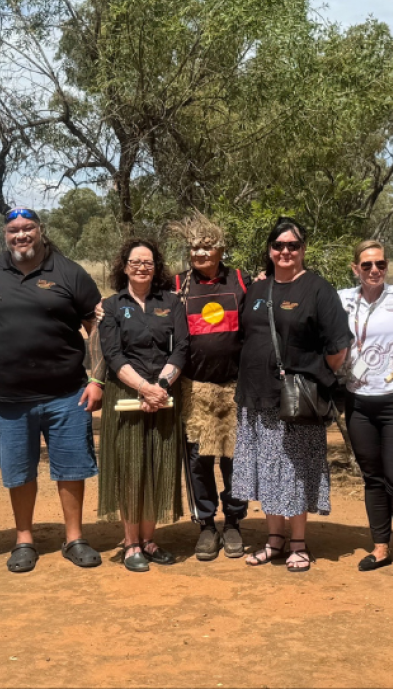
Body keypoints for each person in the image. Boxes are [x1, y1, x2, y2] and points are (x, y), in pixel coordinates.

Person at [0, 206, 104, 573]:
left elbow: (97, 326)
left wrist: (97, 378)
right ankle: (24, 539)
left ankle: (74, 537)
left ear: (40, 231)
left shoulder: (68, 271)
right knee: (19, 471)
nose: (21, 235)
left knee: (71, 469)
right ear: (5, 234)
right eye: (14, 230)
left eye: (28, 228)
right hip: (8, 398)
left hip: (66, 393)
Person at [233, 218, 351, 573]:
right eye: (279, 245)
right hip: (256, 397)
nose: (285, 252)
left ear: (303, 250)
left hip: (296, 401)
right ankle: (274, 540)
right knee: (269, 471)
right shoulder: (257, 289)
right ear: (270, 250)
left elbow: (337, 348)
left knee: (296, 471)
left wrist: (311, 376)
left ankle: (298, 542)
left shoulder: (318, 289)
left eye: (293, 246)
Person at [97, 239, 190, 571]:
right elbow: (113, 354)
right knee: (131, 469)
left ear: (157, 267)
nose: (141, 267)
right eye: (135, 262)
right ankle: (131, 542)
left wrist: (160, 386)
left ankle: (149, 540)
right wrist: (143, 388)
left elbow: (181, 346)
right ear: (124, 267)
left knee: (158, 465)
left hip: (164, 395)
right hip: (125, 395)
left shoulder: (172, 302)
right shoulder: (111, 305)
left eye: (148, 262)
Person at [166, 212, 250, 561]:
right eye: (194, 249)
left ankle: (233, 523)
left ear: (221, 250)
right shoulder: (176, 285)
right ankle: (206, 525)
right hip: (194, 389)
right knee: (199, 460)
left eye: (207, 248)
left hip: (234, 388)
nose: (200, 255)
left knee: (233, 460)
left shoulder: (241, 281)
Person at [337, 241, 393, 580]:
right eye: (367, 265)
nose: (375, 270)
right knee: (371, 477)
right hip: (358, 399)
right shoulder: (342, 299)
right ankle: (380, 547)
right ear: (355, 268)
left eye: (381, 264)